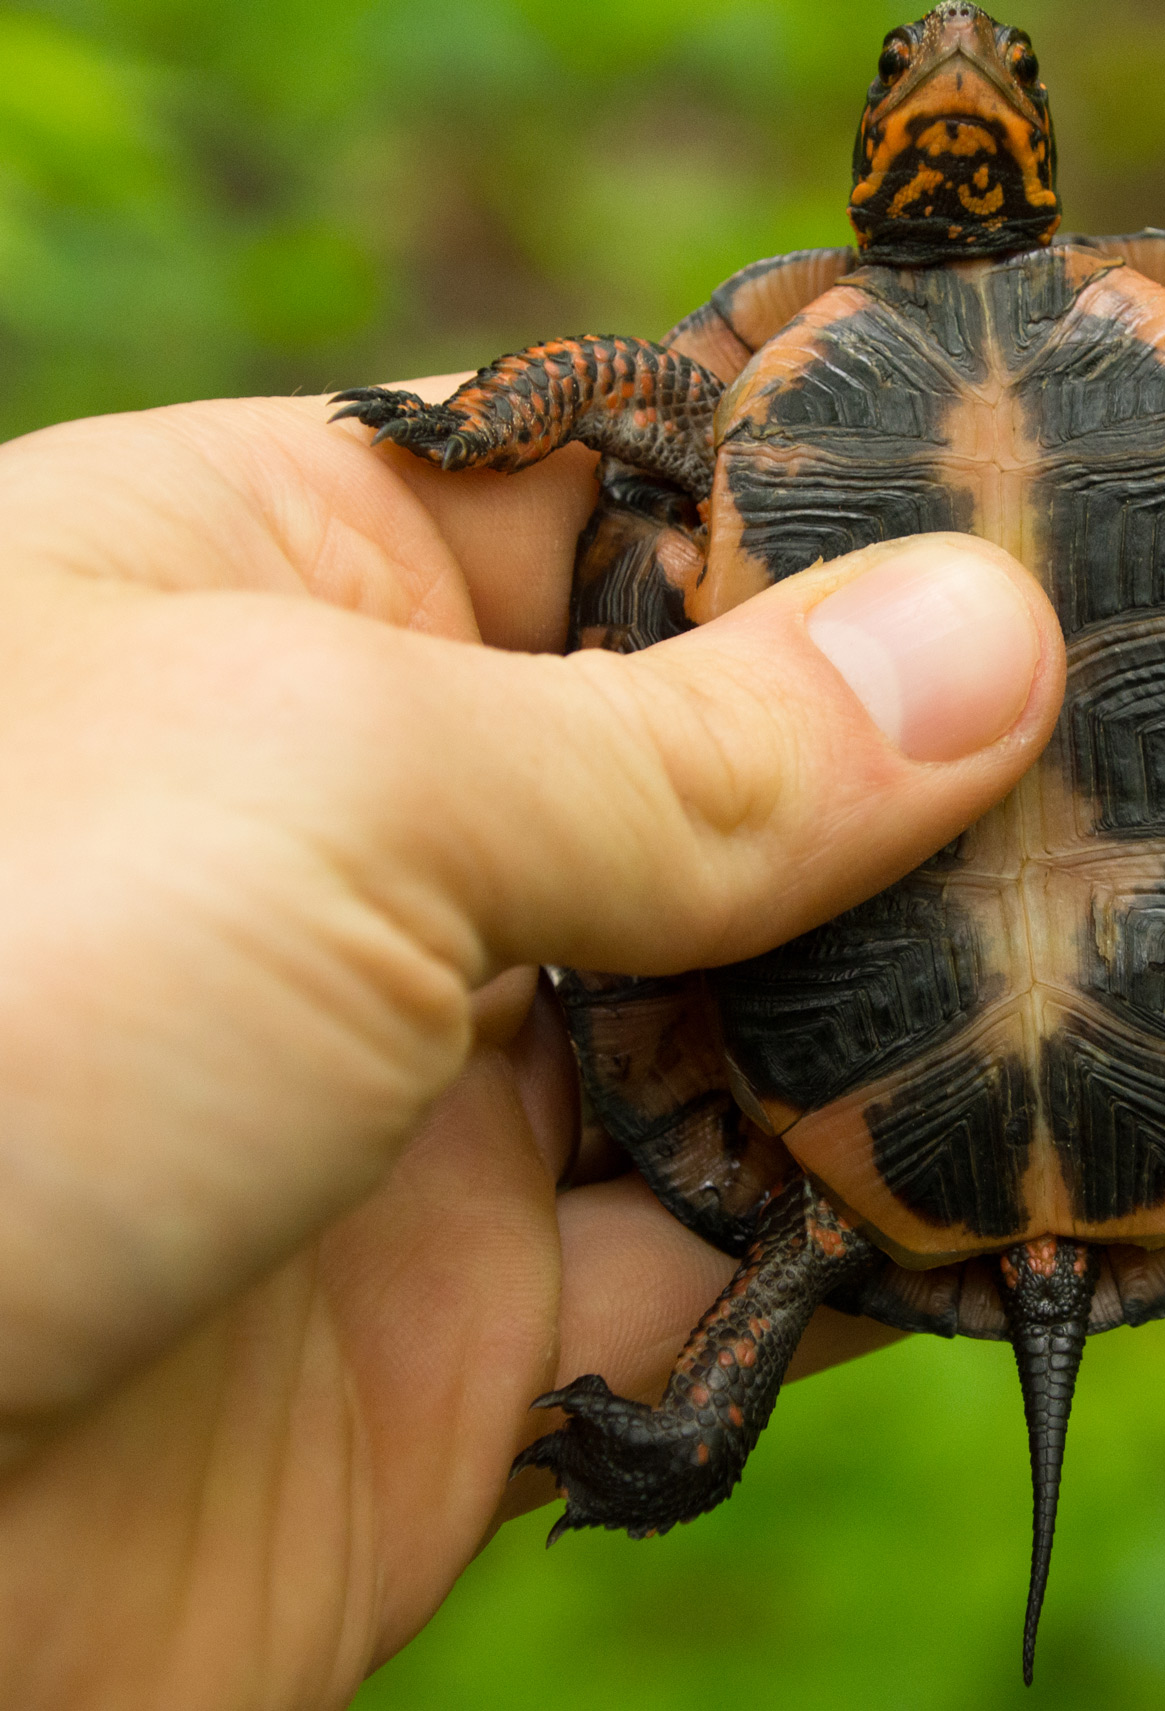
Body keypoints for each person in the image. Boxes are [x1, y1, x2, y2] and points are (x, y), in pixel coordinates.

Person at [0, 380, 1064, 1707]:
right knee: (822, 1225)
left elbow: (627, 390)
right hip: (931, 1107)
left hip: (827, 1155)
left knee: (822, 1225)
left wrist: (515, 412)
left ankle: (697, 1436)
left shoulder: (735, 412)